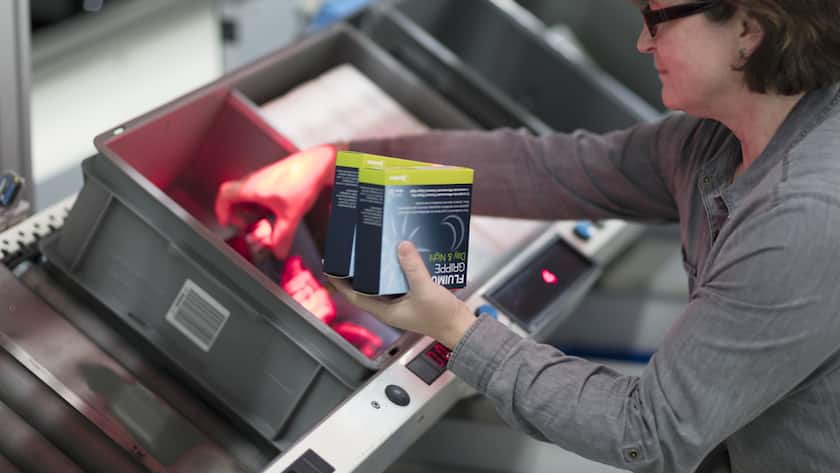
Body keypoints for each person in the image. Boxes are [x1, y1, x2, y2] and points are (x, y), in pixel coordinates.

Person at [216, 1, 840, 471]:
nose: (642, 41)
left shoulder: (803, 214)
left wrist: (456, 330)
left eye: (658, 18)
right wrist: (338, 160)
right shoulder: (717, 139)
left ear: (748, 32)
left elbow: (651, 431)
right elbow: (555, 169)